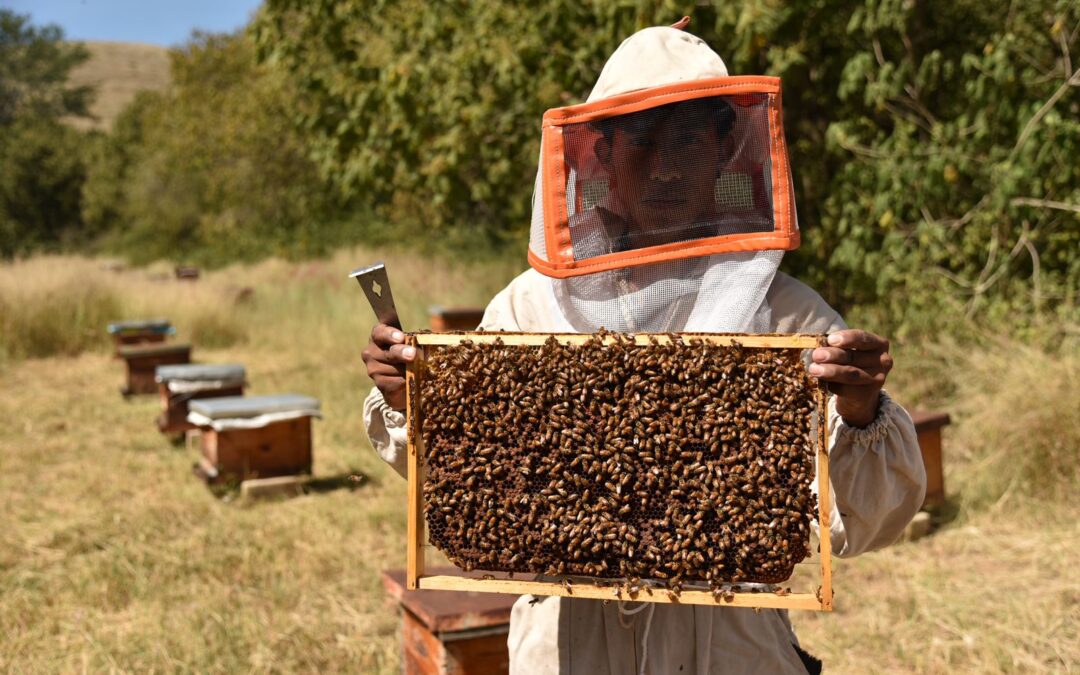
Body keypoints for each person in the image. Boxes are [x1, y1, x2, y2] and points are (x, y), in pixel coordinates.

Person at [362, 19, 925, 675]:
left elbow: (867, 519)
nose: (666, 165)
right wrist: (411, 399)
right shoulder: (529, 306)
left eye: (688, 140)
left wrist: (859, 411)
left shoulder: (786, 313)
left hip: (729, 648)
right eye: (643, 140)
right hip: (566, 646)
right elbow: (468, 476)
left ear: (725, 149)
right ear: (600, 151)